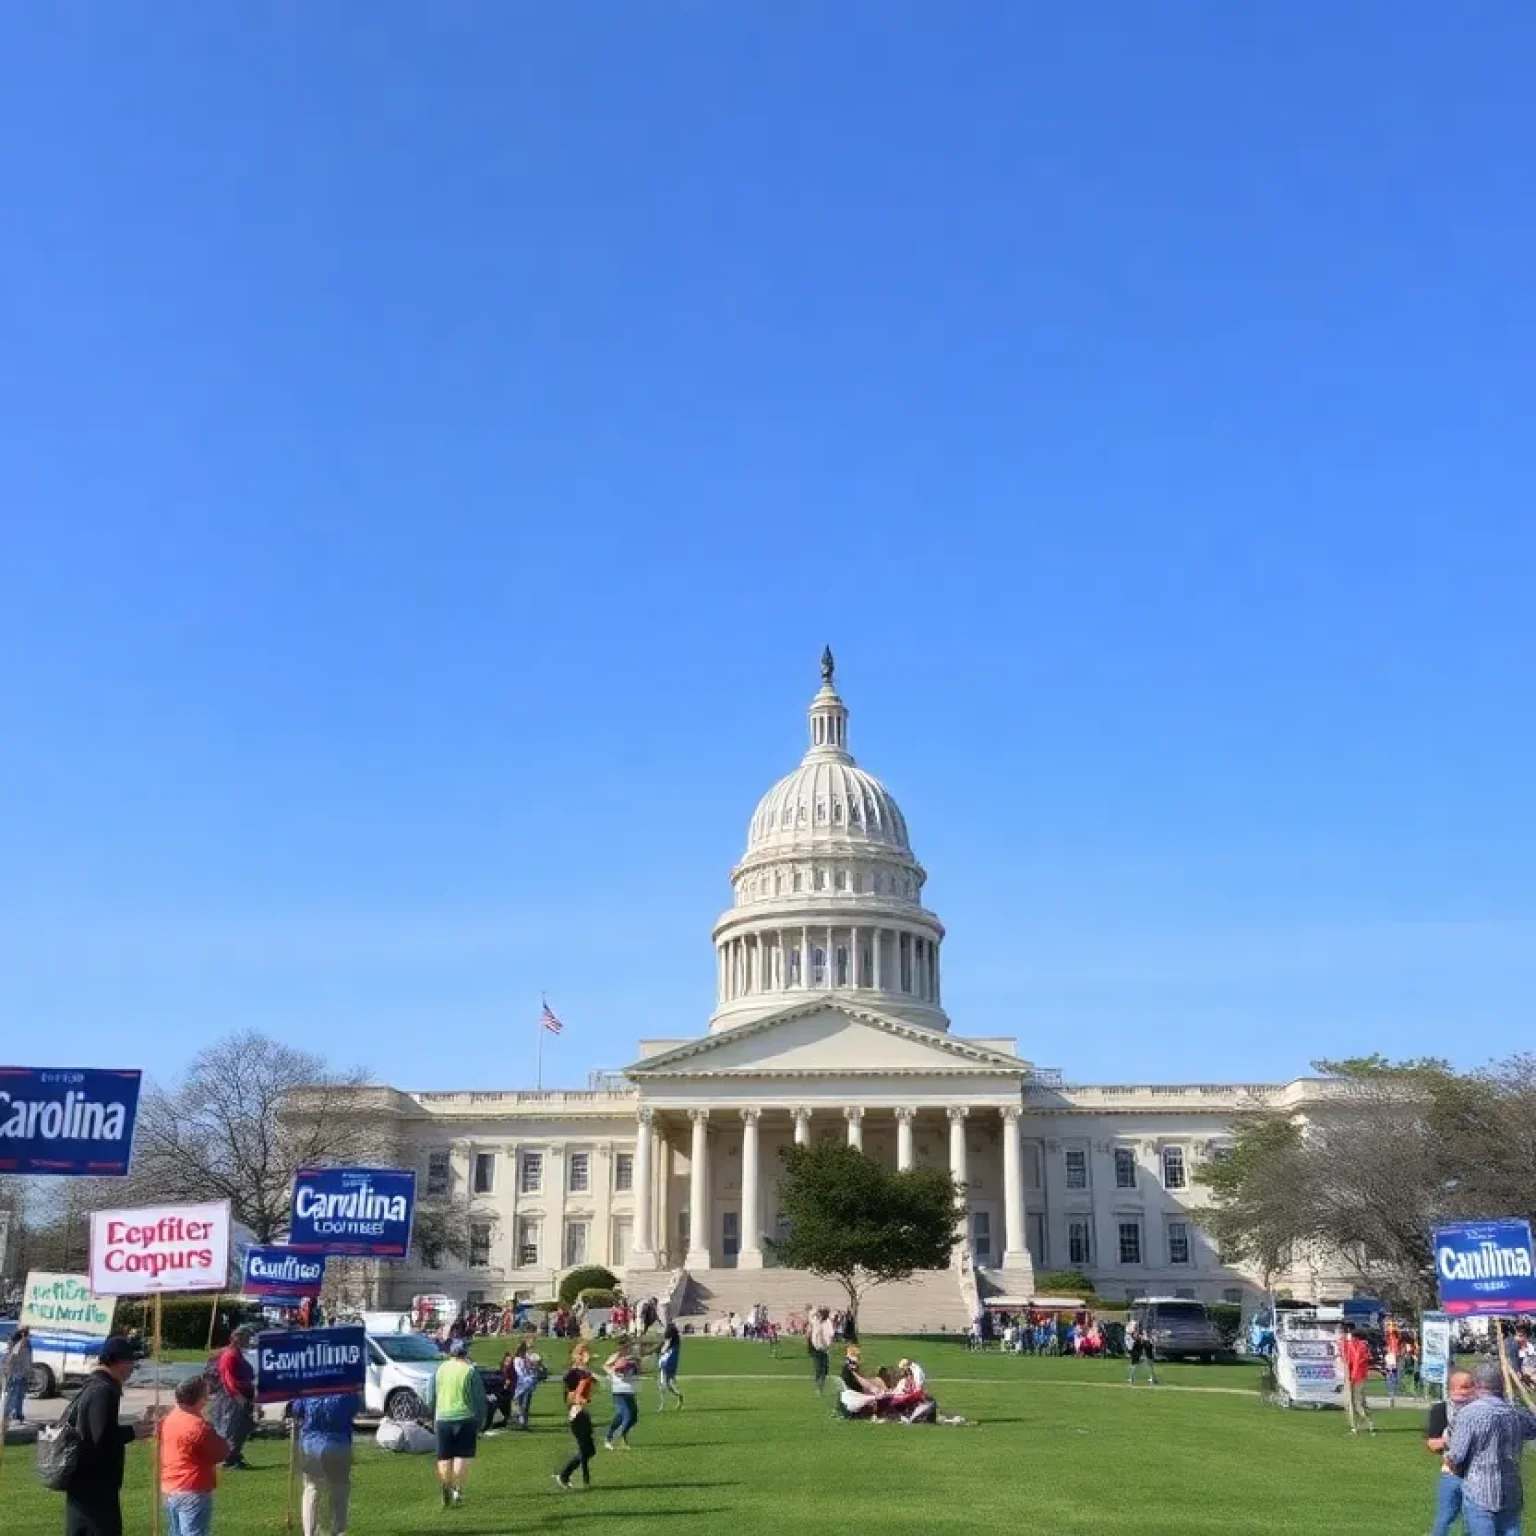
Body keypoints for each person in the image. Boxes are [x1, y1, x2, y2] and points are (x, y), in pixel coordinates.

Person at [64, 1336, 156, 1536]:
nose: (132, 1368)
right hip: (95, 1485)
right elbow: (101, 1437)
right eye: (130, 1362)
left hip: (84, 1482)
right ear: (116, 1361)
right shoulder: (103, 1390)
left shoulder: (93, 1385)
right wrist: (133, 1431)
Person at [1445, 1360, 1536, 1536]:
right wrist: (1518, 1397)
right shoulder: (1515, 1413)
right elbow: (1533, 1429)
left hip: (1480, 1491)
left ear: (1477, 1384)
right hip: (1511, 1490)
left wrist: (1449, 1459)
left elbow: (1456, 1455)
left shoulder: (1469, 1413)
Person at [158, 1375, 230, 1536]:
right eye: (206, 1394)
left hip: (170, 1486)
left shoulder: (169, 1418)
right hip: (193, 1488)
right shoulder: (198, 1426)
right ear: (199, 1397)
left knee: (175, 1532)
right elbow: (220, 1452)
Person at [422, 1336, 486, 1508]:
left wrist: (433, 1409)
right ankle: (457, 1490)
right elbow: (479, 1399)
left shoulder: (439, 1370)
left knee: (444, 1456)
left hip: (443, 1418)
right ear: (466, 1353)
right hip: (465, 1417)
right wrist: (481, 1420)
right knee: (462, 1456)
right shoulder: (470, 1371)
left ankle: (445, 1485)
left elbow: (428, 1394)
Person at [290, 1388, 362, 1536]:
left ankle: (309, 1532)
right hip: (338, 1445)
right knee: (339, 1491)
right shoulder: (346, 1391)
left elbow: (296, 1408)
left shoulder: (309, 1390)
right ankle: (338, 1530)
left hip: (312, 1446)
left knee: (312, 1488)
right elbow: (356, 1406)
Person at [1427, 1370, 1477, 1536]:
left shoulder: (1480, 1410)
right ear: (1450, 1389)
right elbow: (1432, 1444)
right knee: (1445, 1518)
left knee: (1473, 1521)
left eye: (1469, 1387)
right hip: (1451, 1473)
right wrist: (1454, 1440)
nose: (1465, 1391)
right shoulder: (1440, 1410)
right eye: (1461, 1387)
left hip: (1477, 1475)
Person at [212, 1326, 257, 1469]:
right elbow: (228, 1379)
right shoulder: (229, 1355)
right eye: (245, 1337)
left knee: (243, 1427)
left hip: (243, 1395)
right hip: (233, 1397)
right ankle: (227, 1459)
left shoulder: (238, 1353)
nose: (248, 1340)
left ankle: (235, 1455)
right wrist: (239, 1397)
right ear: (237, 1338)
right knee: (232, 1427)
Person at [554, 1343, 597, 1491]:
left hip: (584, 1412)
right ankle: (567, 1476)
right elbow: (569, 1397)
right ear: (576, 1356)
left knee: (589, 1450)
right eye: (583, 1353)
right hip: (576, 1413)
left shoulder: (586, 1372)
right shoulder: (572, 1374)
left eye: (587, 1353)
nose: (587, 1356)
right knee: (584, 1450)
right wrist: (579, 1399)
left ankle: (568, 1476)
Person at [603, 1341, 640, 1450]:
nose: (627, 1348)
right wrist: (612, 1372)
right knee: (627, 1415)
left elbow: (637, 1370)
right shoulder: (615, 1356)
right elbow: (605, 1366)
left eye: (629, 1346)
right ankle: (617, 1438)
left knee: (632, 1417)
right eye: (625, 1346)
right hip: (619, 1391)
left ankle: (612, 1437)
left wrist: (635, 1364)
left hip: (630, 1391)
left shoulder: (633, 1357)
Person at [3, 1324, 33, 1425]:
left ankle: (18, 1414)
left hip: (23, 1374)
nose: (29, 1336)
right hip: (15, 1374)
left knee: (20, 1396)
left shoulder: (27, 1344)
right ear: (23, 1334)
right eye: (27, 1333)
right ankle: (7, 1415)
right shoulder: (16, 1344)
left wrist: (28, 1372)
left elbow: (28, 1359)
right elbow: (12, 1360)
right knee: (13, 1395)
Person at [657, 1320, 684, 1411]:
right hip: (673, 1363)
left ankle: (662, 1404)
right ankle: (679, 1396)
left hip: (665, 1361)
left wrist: (660, 1351)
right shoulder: (677, 1341)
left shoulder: (669, 1338)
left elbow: (664, 1348)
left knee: (662, 1383)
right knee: (669, 1383)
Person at [807, 1308, 835, 1395]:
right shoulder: (816, 1321)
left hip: (825, 1350)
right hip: (816, 1349)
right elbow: (811, 1317)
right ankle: (818, 1388)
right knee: (819, 1369)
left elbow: (831, 1334)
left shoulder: (828, 1323)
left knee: (825, 1370)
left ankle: (820, 1387)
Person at [1125, 1315, 1158, 1387]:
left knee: (1147, 1363)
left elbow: (1144, 1339)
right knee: (1136, 1364)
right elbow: (1135, 1338)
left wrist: (1147, 1340)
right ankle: (1131, 1378)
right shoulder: (1134, 1332)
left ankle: (1151, 1377)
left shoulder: (1141, 1332)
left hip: (1141, 1347)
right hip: (1137, 1347)